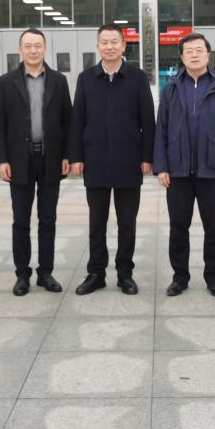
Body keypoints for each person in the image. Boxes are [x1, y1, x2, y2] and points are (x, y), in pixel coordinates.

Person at [69, 23, 155, 296]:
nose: (109, 47)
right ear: (97, 46)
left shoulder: (137, 78)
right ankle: (96, 273)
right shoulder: (86, 78)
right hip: (95, 160)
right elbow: (77, 119)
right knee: (97, 223)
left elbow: (147, 120)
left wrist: (147, 156)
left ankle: (125, 274)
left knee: (127, 223)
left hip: (129, 160)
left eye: (114, 42)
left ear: (123, 45)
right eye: (104, 42)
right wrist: (76, 157)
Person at [154, 33, 215, 298]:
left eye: (199, 50)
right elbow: (161, 129)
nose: (194, 54)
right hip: (178, 171)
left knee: (214, 228)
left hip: (211, 171)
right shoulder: (171, 88)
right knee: (178, 228)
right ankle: (179, 277)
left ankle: (214, 278)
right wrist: (162, 166)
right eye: (189, 51)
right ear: (181, 57)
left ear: (208, 54)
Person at [0, 28, 72, 296]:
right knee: (21, 221)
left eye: (38, 45)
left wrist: (66, 155)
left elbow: (67, 121)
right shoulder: (6, 82)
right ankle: (22, 274)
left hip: (50, 159)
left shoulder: (59, 80)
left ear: (45, 48)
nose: (33, 50)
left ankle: (45, 273)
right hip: (19, 161)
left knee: (48, 219)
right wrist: (1, 160)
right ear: (20, 50)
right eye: (28, 46)